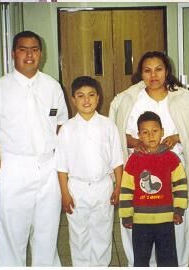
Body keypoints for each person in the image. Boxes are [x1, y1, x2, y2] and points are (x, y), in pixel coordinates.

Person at [0, 31, 68, 266]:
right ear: (13, 54)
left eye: (35, 49)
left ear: (42, 53)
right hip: (13, 169)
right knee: (12, 238)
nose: (29, 54)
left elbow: (61, 126)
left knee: (47, 236)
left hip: (48, 169)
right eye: (23, 49)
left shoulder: (52, 87)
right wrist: (0, 174)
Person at [109, 51, 189, 267]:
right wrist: (132, 142)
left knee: (176, 229)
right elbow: (112, 135)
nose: (153, 75)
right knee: (138, 232)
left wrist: (178, 137)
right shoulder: (127, 100)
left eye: (158, 69)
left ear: (167, 71)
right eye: (147, 70)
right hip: (138, 173)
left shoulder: (185, 99)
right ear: (140, 73)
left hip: (173, 174)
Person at [55, 76, 123, 266]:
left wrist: (118, 188)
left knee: (102, 233)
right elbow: (61, 166)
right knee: (79, 235)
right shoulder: (67, 129)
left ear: (98, 97)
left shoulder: (108, 125)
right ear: (73, 100)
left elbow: (117, 160)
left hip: (103, 186)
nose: (87, 100)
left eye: (91, 95)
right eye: (81, 96)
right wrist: (64, 194)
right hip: (77, 187)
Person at [119, 111, 188, 266]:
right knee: (141, 260)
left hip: (166, 220)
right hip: (140, 221)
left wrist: (179, 209)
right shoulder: (134, 160)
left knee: (168, 260)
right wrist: (126, 215)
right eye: (145, 132)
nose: (151, 136)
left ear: (162, 132)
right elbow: (126, 189)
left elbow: (180, 185)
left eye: (155, 131)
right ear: (139, 135)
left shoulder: (171, 158)